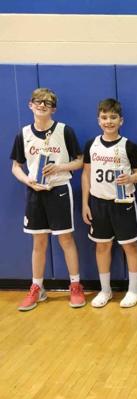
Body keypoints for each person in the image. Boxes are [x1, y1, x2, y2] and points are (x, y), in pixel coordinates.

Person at [10, 87, 85, 311]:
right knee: (39, 242)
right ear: (30, 105)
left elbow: (79, 161)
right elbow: (16, 166)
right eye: (38, 101)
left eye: (48, 103)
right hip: (35, 192)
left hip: (59, 189)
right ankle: (37, 288)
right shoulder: (23, 134)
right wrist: (27, 180)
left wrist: (59, 167)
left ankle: (75, 286)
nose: (42, 105)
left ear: (54, 109)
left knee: (66, 239)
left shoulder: (64, 131)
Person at [81, 98, 137, 308]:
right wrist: (85, 203)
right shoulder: (91, 144)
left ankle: (133, 289)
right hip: (98, 203)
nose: (109, 121)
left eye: (113, 117)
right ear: (98, 120)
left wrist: (131, 178)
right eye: (104, 117)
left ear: (121, 120)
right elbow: (86, 174)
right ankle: (105, 290)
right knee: (102, 246)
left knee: (130, 246)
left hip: (123, 202)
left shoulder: (129, 146)